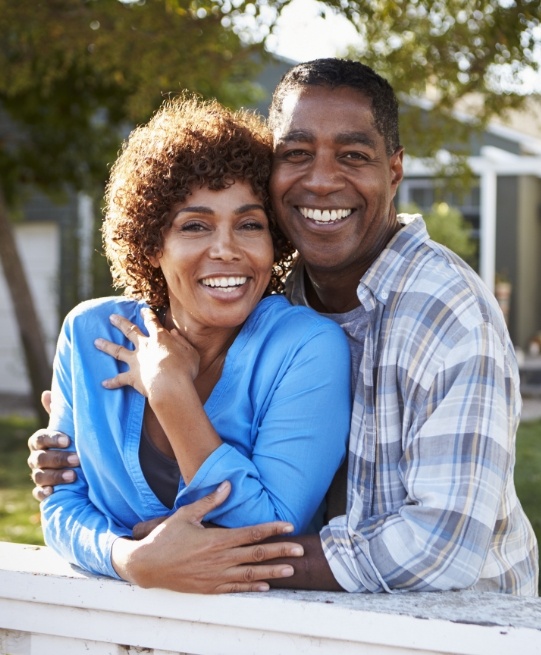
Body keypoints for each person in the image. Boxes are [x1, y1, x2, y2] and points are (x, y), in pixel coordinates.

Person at [29, 59, 538, 596]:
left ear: (394, 171)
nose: (320, 180)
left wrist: (206, 557)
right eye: (295, 154)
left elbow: (443, 548)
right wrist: (130, 557)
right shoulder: (285, 293)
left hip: (464, 628)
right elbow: (65, 499)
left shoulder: (448, 315)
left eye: (353, 155)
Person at [36, 93, 352, 588]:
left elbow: (270, 530)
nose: (226, 249)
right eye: (195, 226)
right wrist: (129, 558)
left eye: (250, 224)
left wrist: (169, 390)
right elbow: (60, 503)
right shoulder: (90, 335)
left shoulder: (306, 348)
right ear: (151, 244)